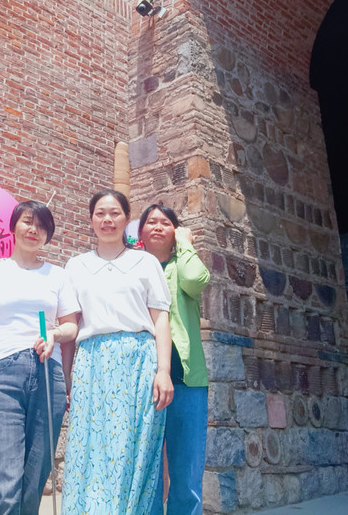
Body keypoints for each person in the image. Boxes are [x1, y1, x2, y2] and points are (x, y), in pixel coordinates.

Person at [61, 189, 174, 515]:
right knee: (89, 450)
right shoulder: (76, 266)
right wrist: (67, 379)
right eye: (100, 213)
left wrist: (163, 371)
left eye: (115, 213)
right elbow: (71, 328)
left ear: (127, 219)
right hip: (91, 363)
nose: (107, 220)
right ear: (90, 220)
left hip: (138, 362)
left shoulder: (145, 262)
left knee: (133, 452)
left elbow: (161, 319)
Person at [0, 200, 79, 515]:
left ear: (49, 235)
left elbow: (71, 326)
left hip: (48, 375)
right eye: (28, 222)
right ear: (14, 225)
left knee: (33, 483)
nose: (34, 230)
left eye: (42, 226)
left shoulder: (58, 275)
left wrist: (55, 334)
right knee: (3, 486)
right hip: (2, 373)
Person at [138, 204, 211, 515]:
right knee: (146, 472)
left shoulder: (183, 264)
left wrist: (185, 244)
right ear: (140, 231)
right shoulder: (133, 268)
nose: (157, 226)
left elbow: (196, 280)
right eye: (151, 221)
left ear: (176, 230)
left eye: (165, 223)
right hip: (143, 379)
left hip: (186, 380)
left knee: (187, 472)